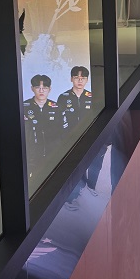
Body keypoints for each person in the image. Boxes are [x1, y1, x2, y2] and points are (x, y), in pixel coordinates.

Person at [58, 67, 102, 198]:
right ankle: (78, 190)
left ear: (87, 80)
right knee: (75, 164)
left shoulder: (92, 96)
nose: (80, 81)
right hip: (70, 137)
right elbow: (59, 119)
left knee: (94, 162)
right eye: (77, 78)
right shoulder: (63, 97)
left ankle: (91, 186)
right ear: (71, 79)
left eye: (83, 78)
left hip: (89, 135)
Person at [23, 74, 68, 180]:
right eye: (38, 87)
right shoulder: (24, 107)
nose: (41, 91)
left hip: (53, 153)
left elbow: (65, 132)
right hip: (32, 155)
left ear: (50, 89)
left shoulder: (57, 107)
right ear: (32, 88)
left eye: (45, 88)